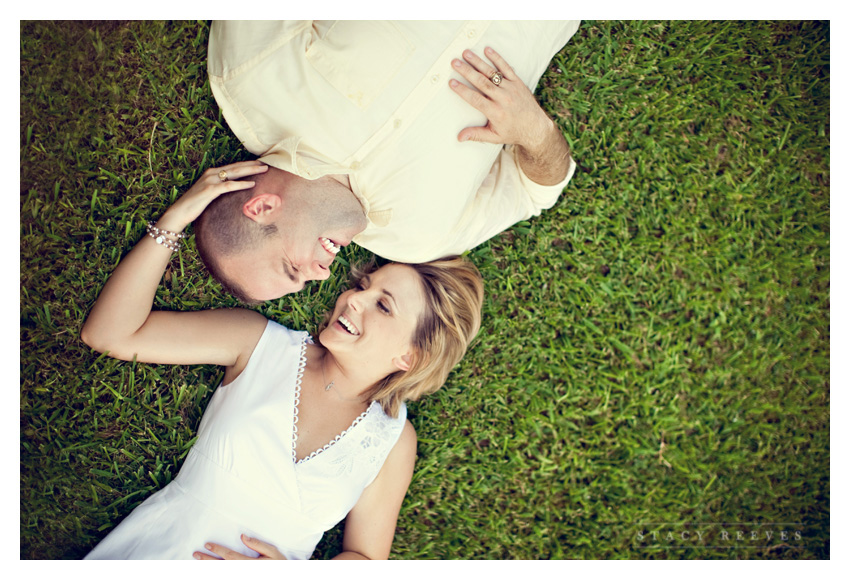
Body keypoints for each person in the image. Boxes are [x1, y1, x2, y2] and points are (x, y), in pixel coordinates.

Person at [80, 161, 484, 560]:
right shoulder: (258, 345)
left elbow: (365, 557)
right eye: (363, 285)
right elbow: (109, 334)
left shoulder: (393, 440)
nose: (351, 298)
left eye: (383, 306)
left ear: (410, 356)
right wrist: (178, 215)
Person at [195, 21, 581, 302]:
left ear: (262, 206)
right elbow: (536, 194)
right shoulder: (418, 237)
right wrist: (534, 130)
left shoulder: (252, 84)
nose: (322, 273)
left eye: (292, 268)